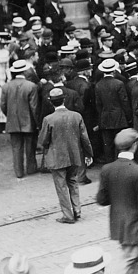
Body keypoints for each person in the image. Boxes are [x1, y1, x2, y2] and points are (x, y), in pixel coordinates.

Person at [97, 129, 138, 274]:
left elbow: (101, 200)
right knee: (129, 259)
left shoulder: (107, 169)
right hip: (134, 226)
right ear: (135, 145)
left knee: (130, 259)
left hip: (117, 224)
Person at [38, 88, 93, 224]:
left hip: (57, 157)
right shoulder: (76, 116)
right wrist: (88, 154)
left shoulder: (48, 119)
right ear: (64, 99)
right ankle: (77, 210)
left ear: (51, 102)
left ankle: (68, 215)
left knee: (61, 186)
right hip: (75, 155)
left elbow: (43, 141)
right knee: (73, 182)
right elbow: (85, 138)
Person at [0, 60, 39, 177]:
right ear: (24, 71)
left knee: (16, 147)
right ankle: (31, 168)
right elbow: (34, 107)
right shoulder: (31, 86)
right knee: (30, 145)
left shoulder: (6, 86)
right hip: (28, 121)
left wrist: (10, 116)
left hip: (12, 121)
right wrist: (37, 122)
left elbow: (3, 105)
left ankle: (19, 172)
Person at [95, 58, 132, 163]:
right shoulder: (119, 83)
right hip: (119, 117)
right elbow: (124, 102)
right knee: (120, 142)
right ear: (114, 70)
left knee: (107, 144)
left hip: (105, 117)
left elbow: (98, 104)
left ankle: (109, 163)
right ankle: (119, 164)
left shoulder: (98, 85)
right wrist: (128, 117)